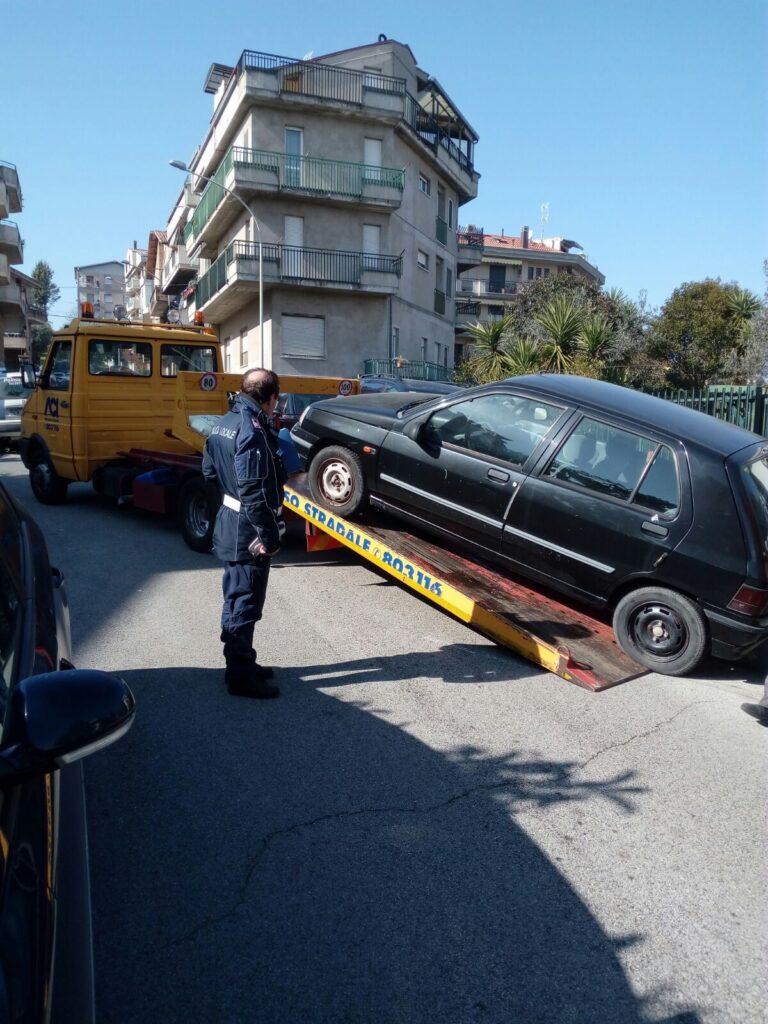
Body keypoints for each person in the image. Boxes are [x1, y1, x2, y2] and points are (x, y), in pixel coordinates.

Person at [202, 368, 286, 698]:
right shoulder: (251, 430)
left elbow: (209, 471)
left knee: (237, 596)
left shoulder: (225, 421)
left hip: (232, 520)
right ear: (271, 397)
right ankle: (239, 677)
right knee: (244, 600)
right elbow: (254, 490)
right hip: (247, 530)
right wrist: (269, 537)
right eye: (276, 399)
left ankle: (242, 662)